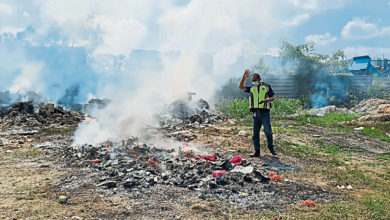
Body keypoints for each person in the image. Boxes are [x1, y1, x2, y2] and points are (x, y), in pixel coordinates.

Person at [239, 69, 277, 157]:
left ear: (259, 79)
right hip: (255, 113)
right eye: (252, 80)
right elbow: (241, 87)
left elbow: (273, 97)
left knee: (268, 131)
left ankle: (271, 148)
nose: (253, 82)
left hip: (265, 113)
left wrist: (268, 100)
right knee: (255, 133)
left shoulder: (266, 86)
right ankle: (257, 151)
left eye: (254, 80)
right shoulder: (252, 88)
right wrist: (243, 78)